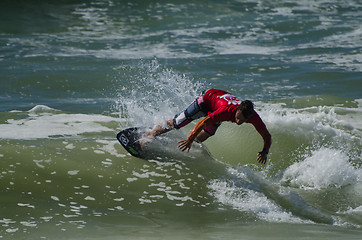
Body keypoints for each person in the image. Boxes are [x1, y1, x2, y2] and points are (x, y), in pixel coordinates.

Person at [144, 89, 272, 164]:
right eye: (237, 118)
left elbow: (267, 136)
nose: (238, 122)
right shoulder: (225, 111)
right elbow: (202, 122)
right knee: (178, 122)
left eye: (242, 121)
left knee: (207, 133)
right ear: (237, 110)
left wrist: (265, 151)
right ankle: (149, 135)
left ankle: (178, 145)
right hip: (206, 100)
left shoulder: (253, 117)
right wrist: (189, 138)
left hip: (216, 105)